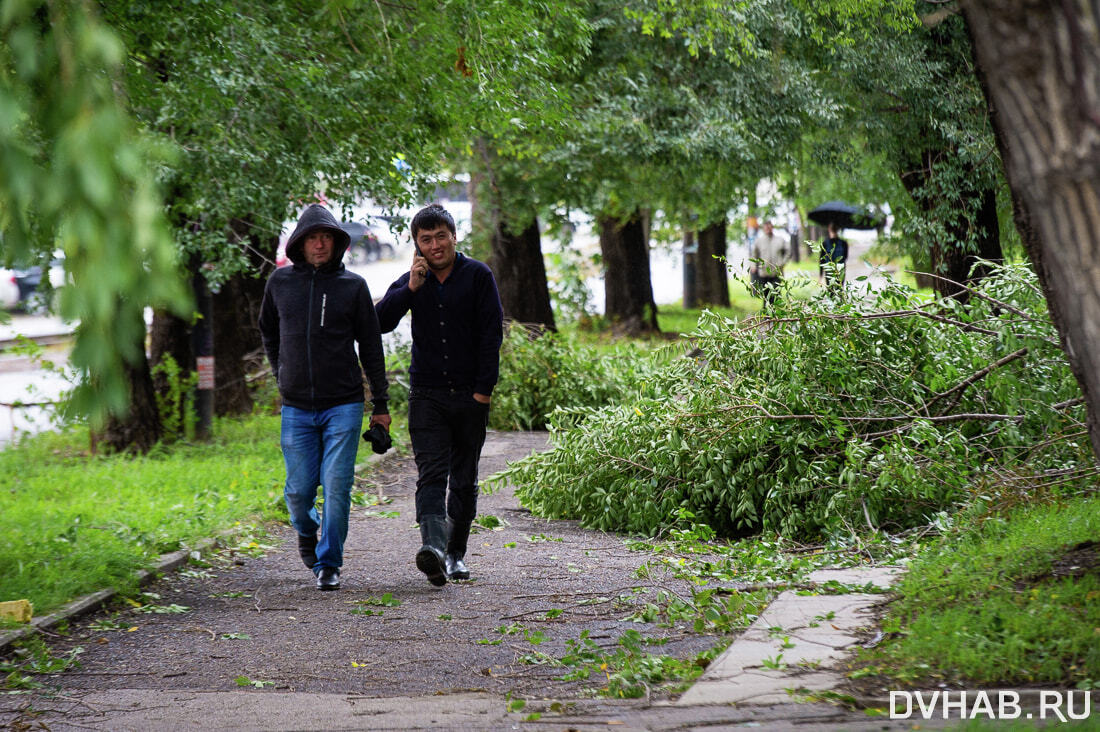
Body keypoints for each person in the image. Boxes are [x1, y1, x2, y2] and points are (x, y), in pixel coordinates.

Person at [258, 203, 391, 591]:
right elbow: (268, 330)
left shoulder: (353, 287)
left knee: (337, 485)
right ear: (300, 243)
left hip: (343, 404)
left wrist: (380, 404)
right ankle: (307, 530)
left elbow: (371, 346)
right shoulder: (279, 283)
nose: (320, 244)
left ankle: (330, 562)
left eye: (327, 238)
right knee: (299, 491)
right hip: (296, 406)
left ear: (337, 244)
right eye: (313, 237)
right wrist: (280, 371)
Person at [376, 203, 504, 586]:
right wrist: (411, 289)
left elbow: (491, 336)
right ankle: (432, 549)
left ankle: (455, 554)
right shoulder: (411, 280)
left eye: (440, 237)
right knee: (431, 473)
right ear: (417, 244)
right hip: (426, 395)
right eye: (425, 239)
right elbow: (379, 322)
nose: (434, 245)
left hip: (469, 396)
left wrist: (483, 393)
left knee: (464, 479)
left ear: (453, 236)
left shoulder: (479, 276)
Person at [750, 220, 791, 306]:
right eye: (766, 227)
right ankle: (767, 316)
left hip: (776, 273)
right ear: (763, 228)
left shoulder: (780, 240)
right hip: (763, 274)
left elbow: (788, 252)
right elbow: (753, 255)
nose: (768, 229)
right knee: (766, 297)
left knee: (776, 294)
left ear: (772, 227)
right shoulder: (759, 241)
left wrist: (782, 263)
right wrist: (753, 266)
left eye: (769, 226)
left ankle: (777, 315)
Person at [819, 222, 849, 291]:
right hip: (840, 271)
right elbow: (845, 257)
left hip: (830, 272)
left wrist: (820, 276)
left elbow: (821, 261)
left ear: (829, 229)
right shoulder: (844, 243)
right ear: (838, 230)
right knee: (840, 292)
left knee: (831, 292)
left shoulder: (825, 243)